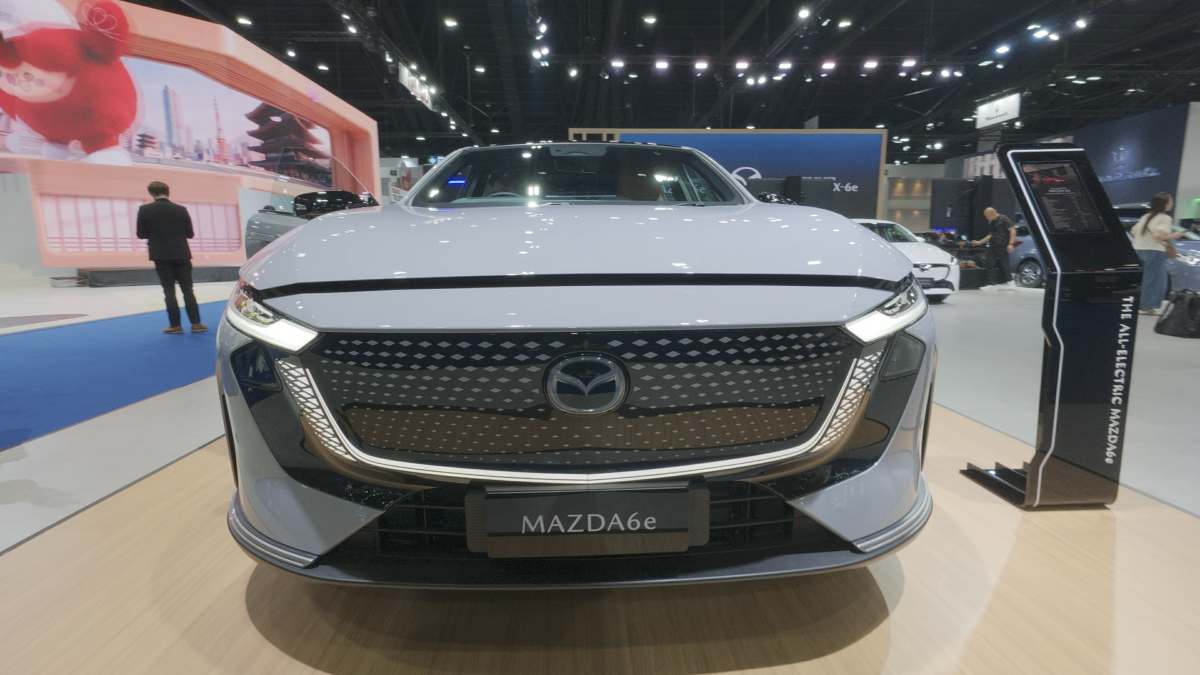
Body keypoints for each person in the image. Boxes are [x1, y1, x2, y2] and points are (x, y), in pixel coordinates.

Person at [136, 181, 206, 334]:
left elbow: (141, 234)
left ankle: (175, 326)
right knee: (188, 290)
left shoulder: (144, 210)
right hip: (182, 254)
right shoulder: (181, 210)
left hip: (160, 256)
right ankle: (196, 324)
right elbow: (190, 234)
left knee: (169, 292)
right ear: (168, 191)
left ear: (151, 193)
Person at [1131, 192, 1185, 315]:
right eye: (1170, 201)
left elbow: (1134, 231)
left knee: (1146, 279)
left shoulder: (1146, 216)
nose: (1172, 203)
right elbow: (1158, 236)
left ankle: (1143, 305)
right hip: (1154, 251)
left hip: (1139, 249)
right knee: (1156, 280)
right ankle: (1147, 307)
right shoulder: (1165, 218)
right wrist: (1174, 235)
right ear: (1164, 204)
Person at [970, 207, 1017, 286]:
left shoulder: (1004, 219)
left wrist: (1011, 244)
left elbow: (1013, 231)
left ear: (991, 214)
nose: (986, 218)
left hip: (1003, 245)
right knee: (989, 263)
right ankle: (991, 283)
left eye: (986, 216)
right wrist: (979, 242)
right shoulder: (991, 222)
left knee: (1004, 263)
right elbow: (991, 235)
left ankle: (1011, 282)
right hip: (993, 245)